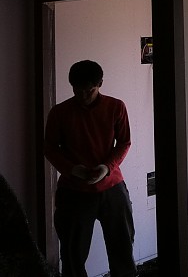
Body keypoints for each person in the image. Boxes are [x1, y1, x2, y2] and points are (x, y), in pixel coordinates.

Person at [44, 60, 136, 277]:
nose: (83, 96)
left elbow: (124, 142)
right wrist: (72, 169)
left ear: (100, 84)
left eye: (89, 90)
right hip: (74, 190)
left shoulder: (116, 107)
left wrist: (106, 167)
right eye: (77, 90)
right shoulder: (59, 112)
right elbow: (50, 149)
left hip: (112, 187)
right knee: (72, 254)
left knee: (122, 247)